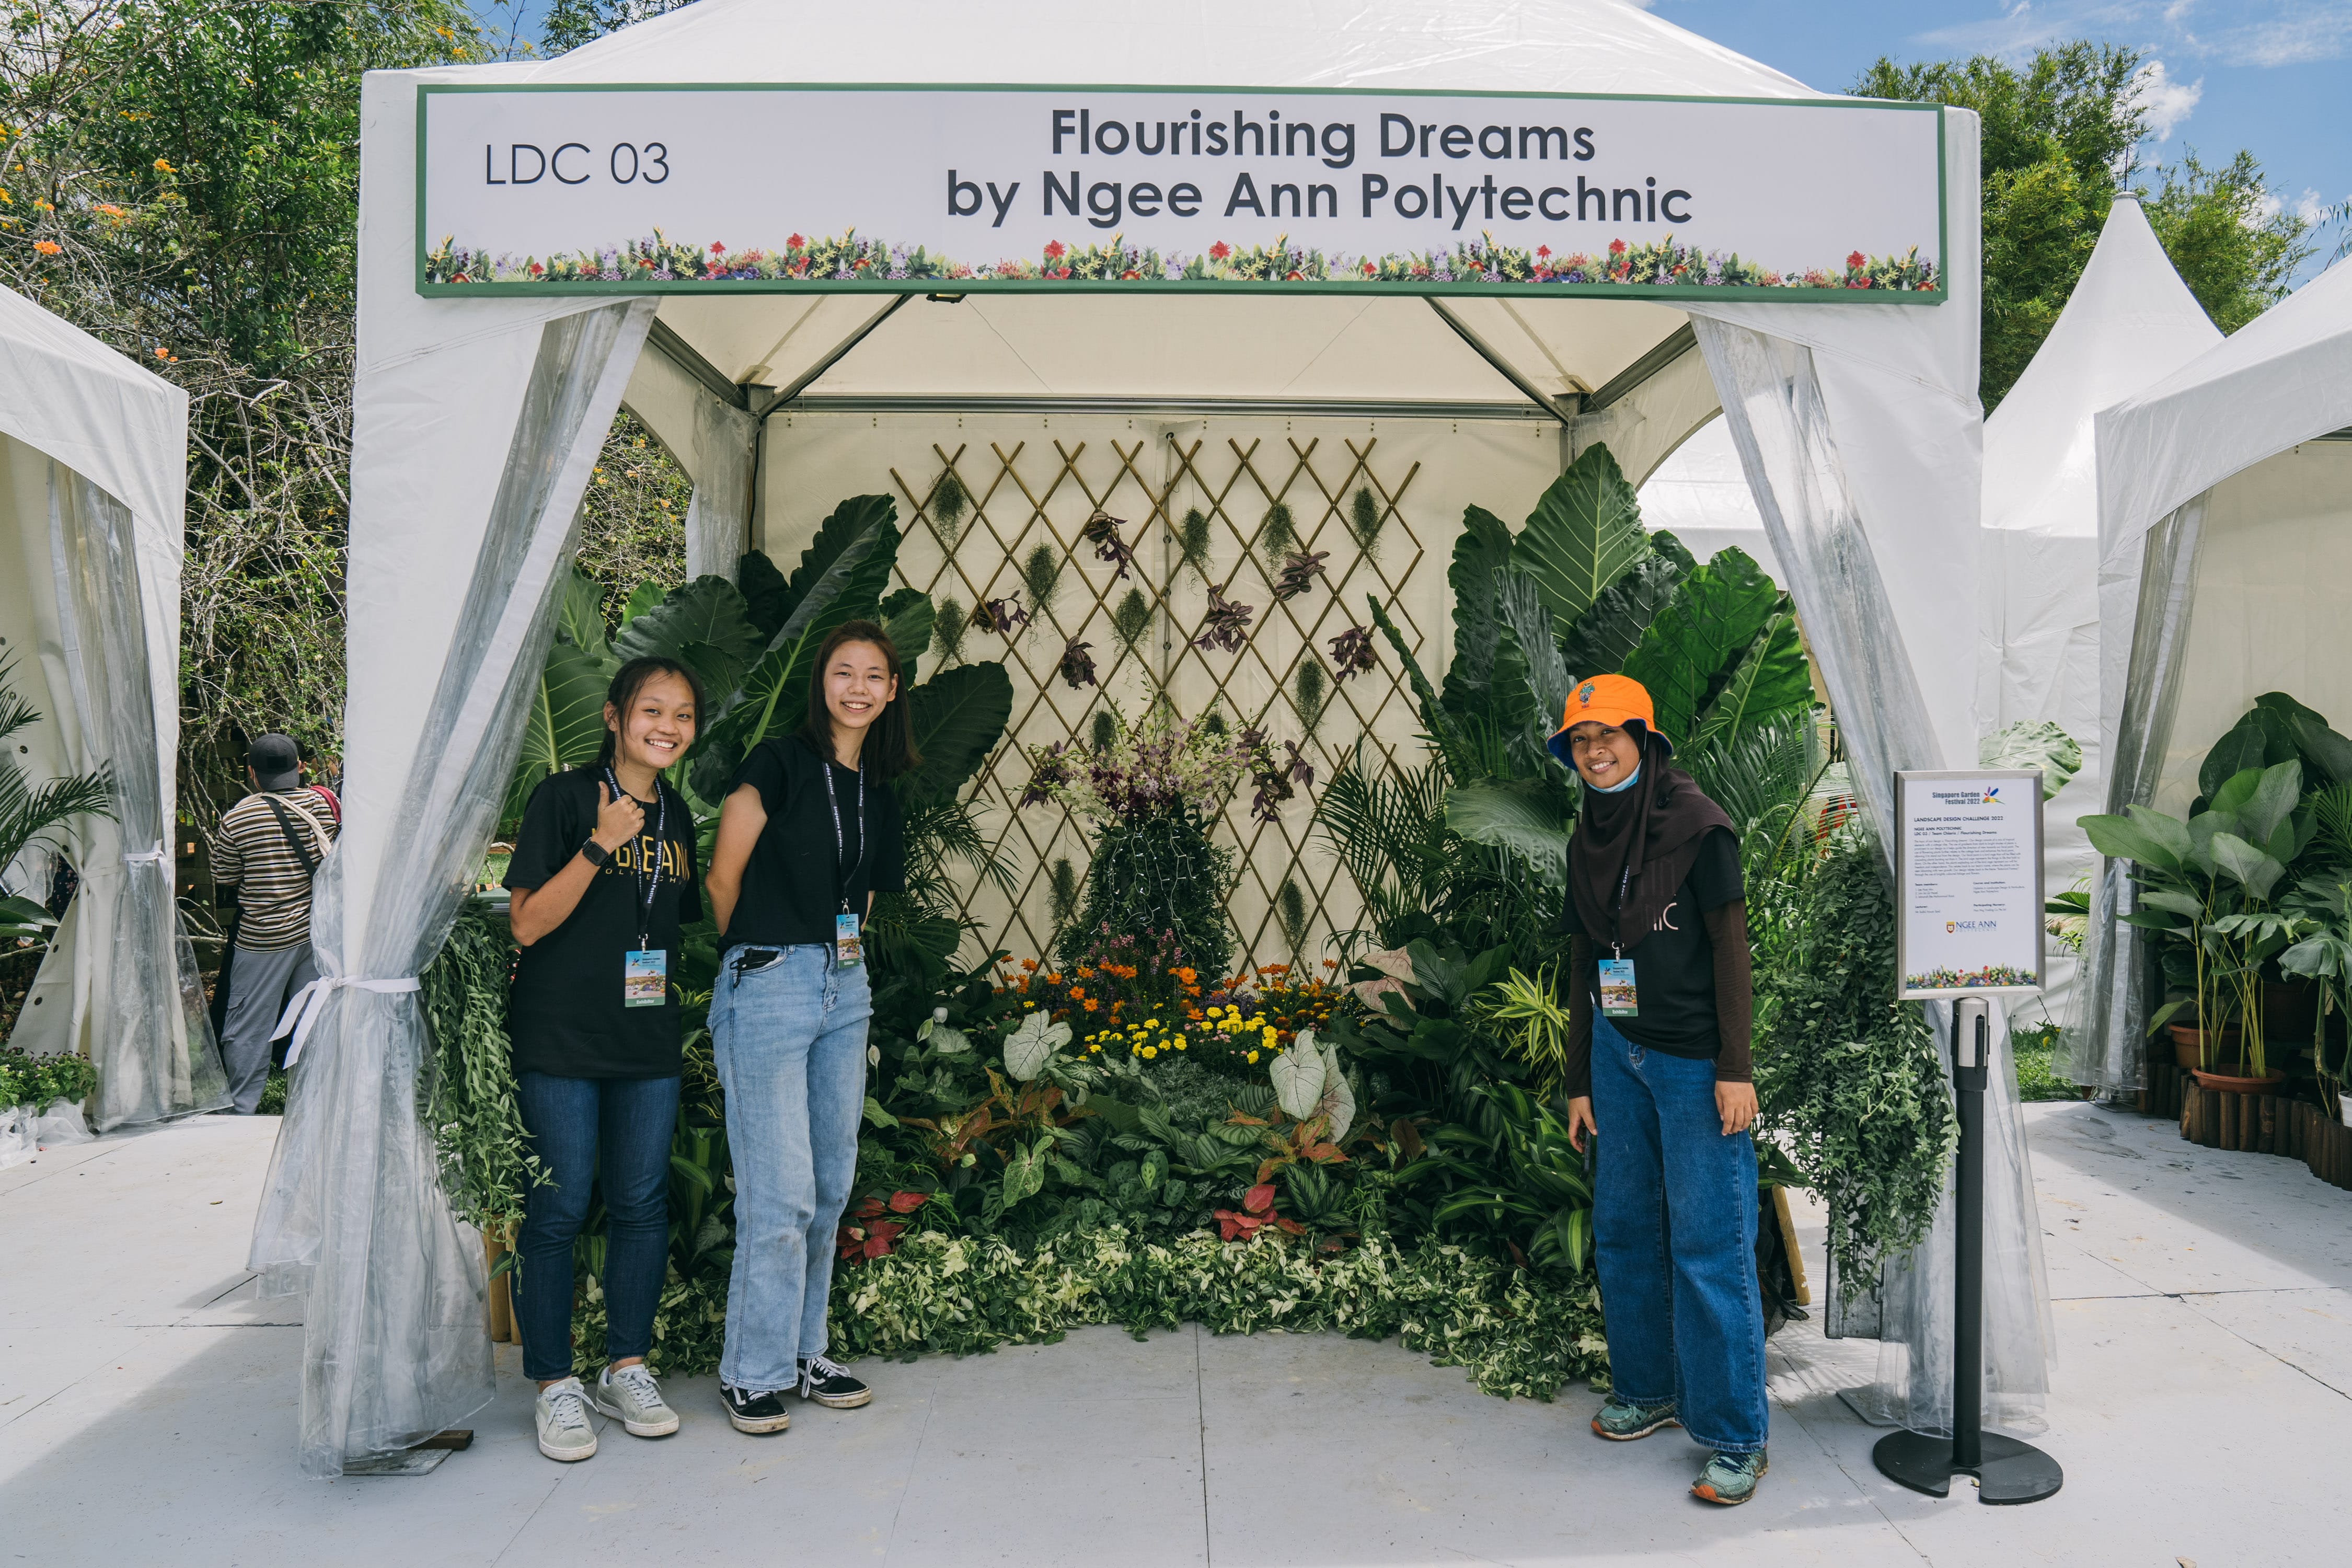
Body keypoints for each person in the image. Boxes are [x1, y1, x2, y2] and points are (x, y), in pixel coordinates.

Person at [1550, 673, 1769, 1506]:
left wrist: (1736, 1069)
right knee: (1625, 1227)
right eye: (1581, 740)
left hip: (1692, 1064)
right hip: (1618, 1054)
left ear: (1645, 737)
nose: (1596, 752)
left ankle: (1736, 1435)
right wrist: (1580, 1080)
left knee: (1709, 1244)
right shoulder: (1588, 838)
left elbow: (1730, 951)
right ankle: (1650, 1389)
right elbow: (1582, 962)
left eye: (1609, 735)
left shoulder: (1700, 827)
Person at [704, 620, 909, 1435]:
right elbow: (724, 877)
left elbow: (860, 903)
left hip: (844, 986)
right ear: (821, 681)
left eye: (874, 676)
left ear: (893, 692)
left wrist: (833, 966)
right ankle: (749, 1371)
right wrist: (761, 960)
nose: (858, 687)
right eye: (843, 672)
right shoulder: (779, 764)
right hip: (771, 979)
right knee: (779, 1192)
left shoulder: (879, 792)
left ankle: (804, 1351)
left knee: (828, 1184)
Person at [503, 656, 705, 1463]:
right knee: (553, 1211)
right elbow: (524, 924)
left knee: (640, 1207)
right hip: (560, 1040)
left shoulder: (679, 814)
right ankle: (556, 1386)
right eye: (653, 710)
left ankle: (627, 1366)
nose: (669, 726)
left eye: (684, 715)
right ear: (617, 717)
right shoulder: (562, 800)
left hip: (645, 1040)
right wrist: (598, 845)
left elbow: (664, 924)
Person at [211, 734, 339, 1115]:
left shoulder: (238, 817)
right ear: (300, 766)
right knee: (311, 1019)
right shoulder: (321, 806)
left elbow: (225, 876)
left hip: (264, 937)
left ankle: (242, 1106)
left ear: (252, 773)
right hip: (316, 933)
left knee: (250, 1022)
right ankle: (313, 1104)